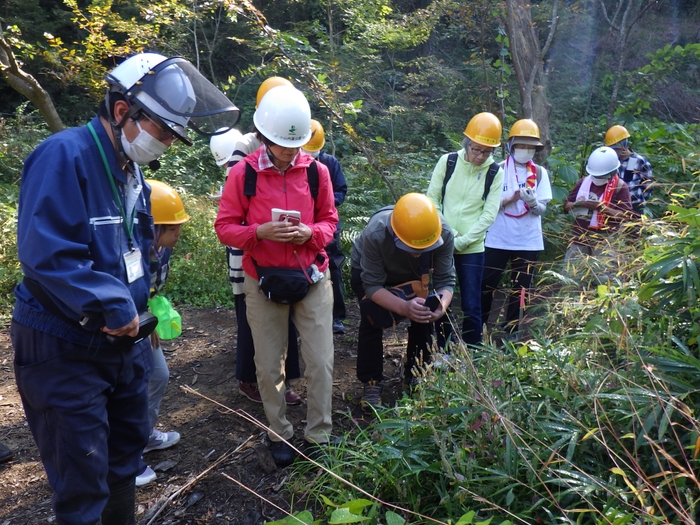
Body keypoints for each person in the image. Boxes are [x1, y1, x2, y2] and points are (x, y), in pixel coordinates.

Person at [10, 52, 239, 525]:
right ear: (122, 112)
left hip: (122, 343)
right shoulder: (64, 155)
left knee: (124, 458)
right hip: (64, 344)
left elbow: (132, 253)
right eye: (164, 131)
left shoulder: (130, 172)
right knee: (82, 475)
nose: (169, 144)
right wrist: (114, 304)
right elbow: (47, 255)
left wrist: (140, 304)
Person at [215, 85, 338, 468]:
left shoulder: (317, 173)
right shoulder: (243, 174)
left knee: (321, 361)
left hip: (312, 276)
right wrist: (258, 233)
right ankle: (279, 433)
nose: (290, 152)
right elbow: (224, 227)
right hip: (263, 278)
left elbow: (330, 221)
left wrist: (310, 234)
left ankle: (319, 433)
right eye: (283, 145)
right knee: (268, 365)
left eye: (296, 145)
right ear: (264, 136)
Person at [210, 76, 303, 406]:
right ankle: (248, 379)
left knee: (286, 313)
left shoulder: (294, 144)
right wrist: (262, 228)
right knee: (251, 317)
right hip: (248, 249)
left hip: (285, 249)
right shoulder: (245, 149)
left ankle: (285, 379)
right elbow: (234, 207)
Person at [350, 193, 455, 409]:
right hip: (370, 271)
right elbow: (372, 285)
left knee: (423, 315)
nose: (419, 253)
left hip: (418, 276)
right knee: (372, 317)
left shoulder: (443, 232)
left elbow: (446, 281)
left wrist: (441, 307)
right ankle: (371, 381)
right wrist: (403, 307)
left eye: (424, 248)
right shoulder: (376, 233)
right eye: (414, 248)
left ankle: (416, 374)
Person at [427, 112, 504, 347]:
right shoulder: (448, 162)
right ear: (467, 142)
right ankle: (443, 347)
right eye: (476, 149)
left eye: (487, 152)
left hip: (472, 247)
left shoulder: (495, 173)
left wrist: (462, 241)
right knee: (441, 298)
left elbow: (488, 215)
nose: (480, 156)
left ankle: (474, 350)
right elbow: (432, 200)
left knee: (472, 302)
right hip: (441, 242)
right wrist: (449, 235)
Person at [135, 180, 189, 487]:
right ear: (152, 228)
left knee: (157, 376)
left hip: (143, 320)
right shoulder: (134, 252)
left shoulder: (160, 251)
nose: (178, 234)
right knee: (144, 379)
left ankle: (143, 434)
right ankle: (126, 447)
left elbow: (151, 287)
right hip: (127, 324)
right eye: (173, 228)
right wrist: (144, 321)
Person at [481, 119, 552, 339]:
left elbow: (541, 209)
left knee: (521, 289)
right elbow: (485, 205)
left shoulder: (540, 173)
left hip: (528, 240)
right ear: (511, 146)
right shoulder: (497, 170)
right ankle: (480, 325)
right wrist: (510, 199)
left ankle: (511, 329)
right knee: (487, 284)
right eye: (521, 145)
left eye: (530, 146)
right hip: (497, 238)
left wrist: (531, 203)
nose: (526, 150)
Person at [302, 119, 349, 334]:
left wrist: (327, 202)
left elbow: (341, 190)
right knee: (303, 267)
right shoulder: (294, 161)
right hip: (302, 226)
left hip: (328, 226)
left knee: (333, 269)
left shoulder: (330, 163)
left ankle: (337, 316)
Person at [563, 146, 633, 279]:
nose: (598, 178)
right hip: (580, 237)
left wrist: (602, 208)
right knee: (572, 275)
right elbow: (566, 206)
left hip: (605, 240)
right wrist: (580, 204)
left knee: (604, 278)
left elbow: (626, 215)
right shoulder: (583, 182)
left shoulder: (620, 186)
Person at [605, 125, 653, 215]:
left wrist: (639, 202)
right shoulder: (610, 161)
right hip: (613, 206)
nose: (613, 152)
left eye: (615, 149)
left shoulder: (639, 161)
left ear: (624, 146)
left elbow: (648, 185)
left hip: (634, 206)